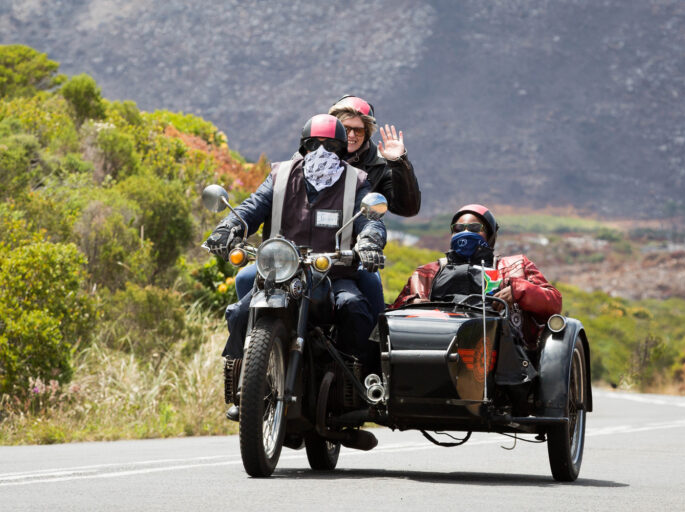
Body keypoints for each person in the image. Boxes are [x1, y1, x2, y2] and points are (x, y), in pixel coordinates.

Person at [205, 114, 387, 421]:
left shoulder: (356, 181)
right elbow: (253, 205)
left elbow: (371, 220)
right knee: (238, 313)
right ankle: (242, 390)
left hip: (334, 273)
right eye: (314, 144)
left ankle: (357, 389)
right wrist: (229, 227)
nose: (322, 151)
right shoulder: (280, 175)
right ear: (303, 146)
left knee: (353, 307)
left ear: (342, 149)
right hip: (280, 272)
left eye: (331, 146)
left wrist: (369, 241)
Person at [235, 95, 421, 321]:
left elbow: (403, 209)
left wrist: (399, 163)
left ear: (367, 133)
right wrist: (231, 227)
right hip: (291, 259)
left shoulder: (373, 169)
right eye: (345, 128)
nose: (351, 135)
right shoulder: (298, 164)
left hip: (346, 258)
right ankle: (249, 339)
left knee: (368, 287)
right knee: (244, 282)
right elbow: (259, 204)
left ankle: (373, 340)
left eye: (359, 130)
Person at [390, 204, 561, 347]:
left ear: (490, 234)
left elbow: (553, 302)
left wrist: (519, 291)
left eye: (474, 228)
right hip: (438, 346)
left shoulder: (516, 265)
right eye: (458, 229)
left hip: (505, 350)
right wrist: (411, 303)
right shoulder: (426, 273)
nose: (465, 233)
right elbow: (393, 313)